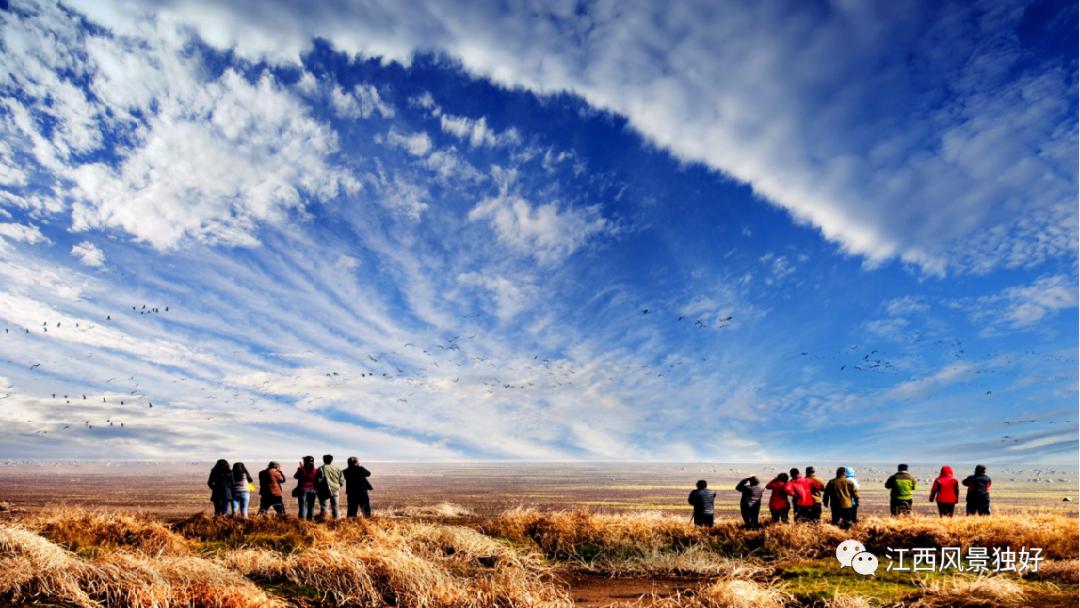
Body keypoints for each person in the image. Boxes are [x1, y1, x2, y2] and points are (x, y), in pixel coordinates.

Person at [316, 454, 345, 520]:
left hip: (324, 490)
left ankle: (324, 521)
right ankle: (337, 521)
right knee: (335, 506)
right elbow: (342, 480)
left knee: (324, 507)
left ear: (324, 460)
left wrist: (318, 489)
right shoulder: (337, 468)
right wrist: (338, 486)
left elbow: (318, 481)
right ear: (331, 460)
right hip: (335, 490)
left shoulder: (321, 468)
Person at [294, 456, 318, 520]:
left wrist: (300, 469)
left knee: (302, 505)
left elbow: (295, 476)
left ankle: (302, 520)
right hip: (313, 489)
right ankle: (310, 519)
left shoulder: (301, 469)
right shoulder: (316, 470)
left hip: (303, 489)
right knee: (311, 505)